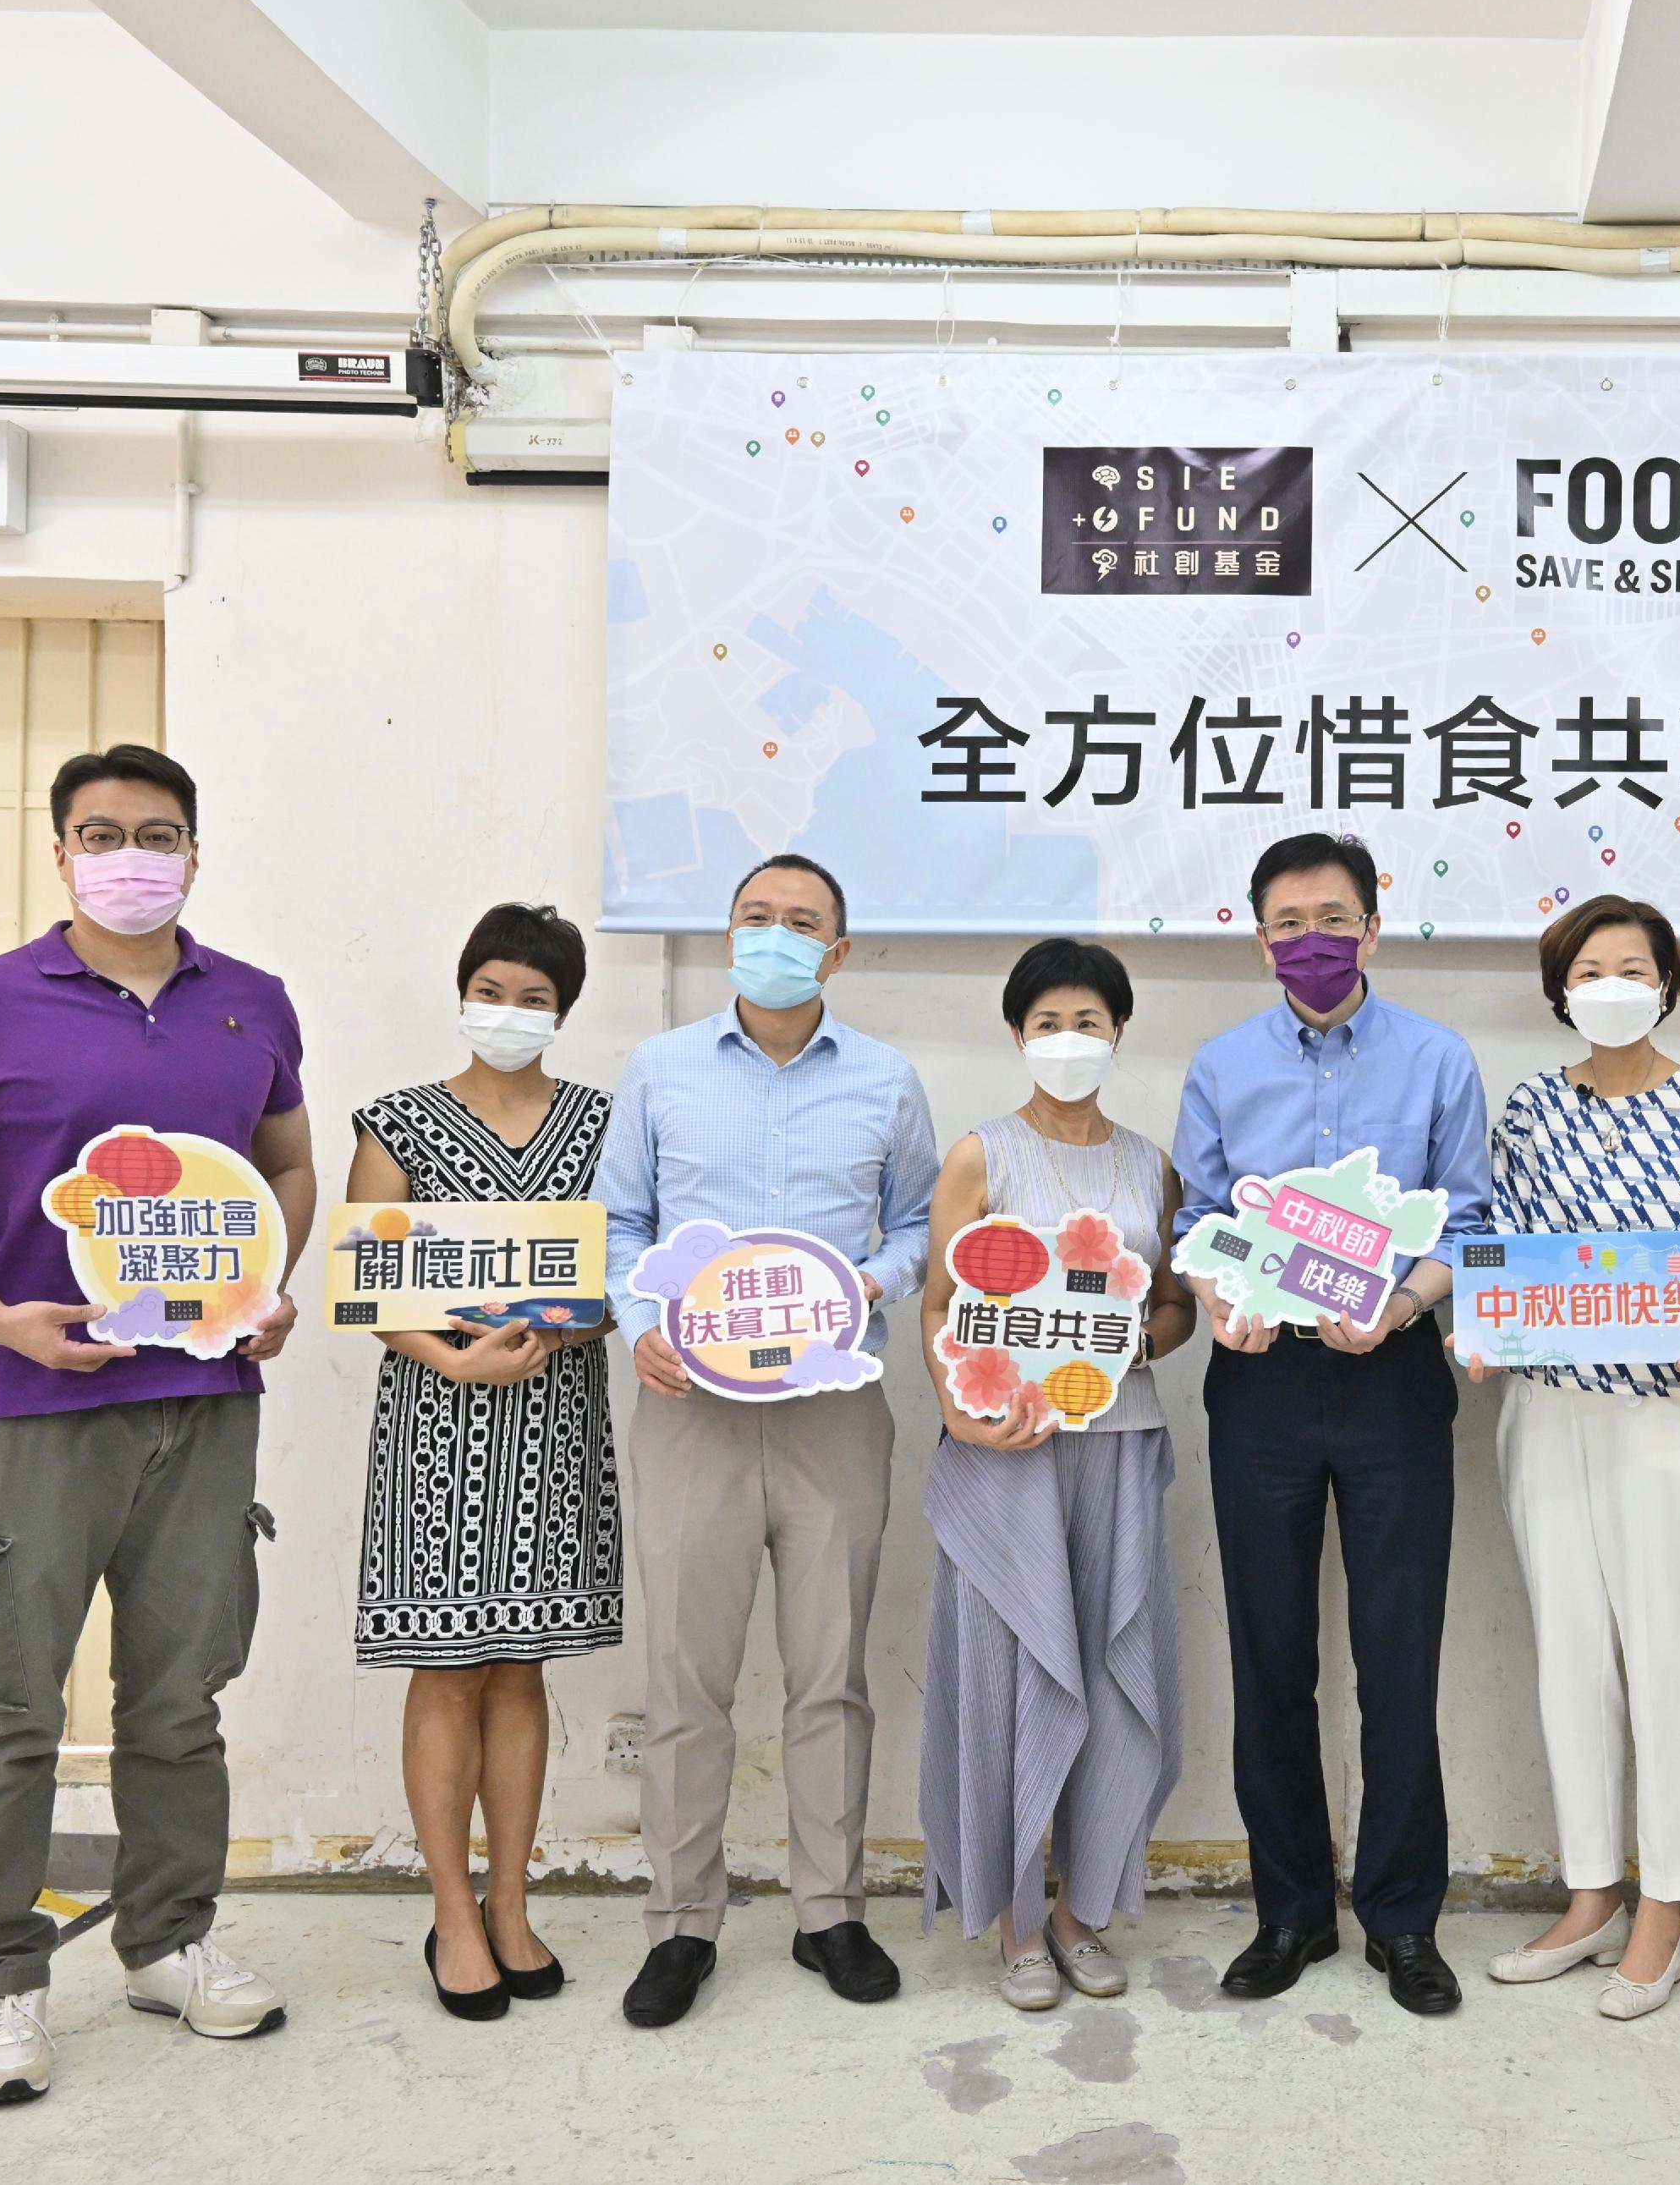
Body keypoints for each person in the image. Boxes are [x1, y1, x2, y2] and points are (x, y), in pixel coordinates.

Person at [0, 744, 310, 2106]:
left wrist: (270, 1285)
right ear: (61, 853)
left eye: (157, 831)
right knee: (3, 1708)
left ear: (192, 848)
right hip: (33, 1411)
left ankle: (168, 1940)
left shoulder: (251, 1003)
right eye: (101, 832)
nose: (131, 853)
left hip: (203, 1403)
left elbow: (285, 1161)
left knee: (181, 1697)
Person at [596, 854, 941, 2029]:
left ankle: (827, 1911)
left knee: (828, 1674)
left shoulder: (888, 1079)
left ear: (838, 952)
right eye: (759, 918)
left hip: (833, 1411)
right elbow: (621, 1219)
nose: (778, 936)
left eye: (804, 923)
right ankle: (682, 1923)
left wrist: (865, 1288)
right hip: (687, 1405)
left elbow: (915, 1225)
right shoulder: (663, 1068)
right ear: (728, 934)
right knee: (684, 1681)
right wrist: (642, 1321)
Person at [1176, 832, 1493, 2017]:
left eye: (1332, 917)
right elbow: (1202, 1217)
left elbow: (1470, 1218)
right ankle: (1292, 1906)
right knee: (1271, 1657)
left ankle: (1404, 1918)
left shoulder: (1437, 1059)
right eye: (1288, 922)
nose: (1311, 939)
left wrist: (1405, 1299)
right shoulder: (1219, 1064)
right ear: (1259, 937)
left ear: (1375, 922)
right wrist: (1219, 1292)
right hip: (1260, 1384)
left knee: (1398, 1660)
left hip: (1392, 1377)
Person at [1471, 896, 1680, 2022]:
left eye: (1630, 965)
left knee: (1668, 1659)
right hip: (1548, 1412)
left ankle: (1667, 1906)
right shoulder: (1531, 1109)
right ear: (1562, 990)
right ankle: (1592, 1889)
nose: (1610, 982)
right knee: (1570, 1660)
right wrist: (1487, 1318)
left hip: (1665, 1419)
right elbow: (1492, 1243)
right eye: (1587, 967)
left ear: (1667, 982)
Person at [346, 903, 619, 2022]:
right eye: (493, 989)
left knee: (523, 1667)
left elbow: (635, 1257)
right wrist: (455, 1362)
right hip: (437, 1424)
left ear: (564, 1010)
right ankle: (452, 1913)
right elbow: (367, 1283)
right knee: (446, 1666)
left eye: (536, 997)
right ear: (464, 990)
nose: (511, 1012)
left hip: (556, 1418)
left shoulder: (607, 1120)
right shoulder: (398, 1121)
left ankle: (513, 1903)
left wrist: (572, 1323)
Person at [917, 939, 1197, 2011]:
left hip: (1116, 1447)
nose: (1067, 1041)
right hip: (1007, 1453)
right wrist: (962, 1415)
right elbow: (941, 1309)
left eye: (1087, 1022)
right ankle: (1016, 1922)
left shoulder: (1149, 1164)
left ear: (1118, 1031)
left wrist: (1129, 1346)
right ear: (1017, 1036)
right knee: (1009, 1677)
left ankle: (1081, 1910)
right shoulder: (979, 1157)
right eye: (1045, 1024)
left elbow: (1170, 1304)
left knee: (1113, 1675)